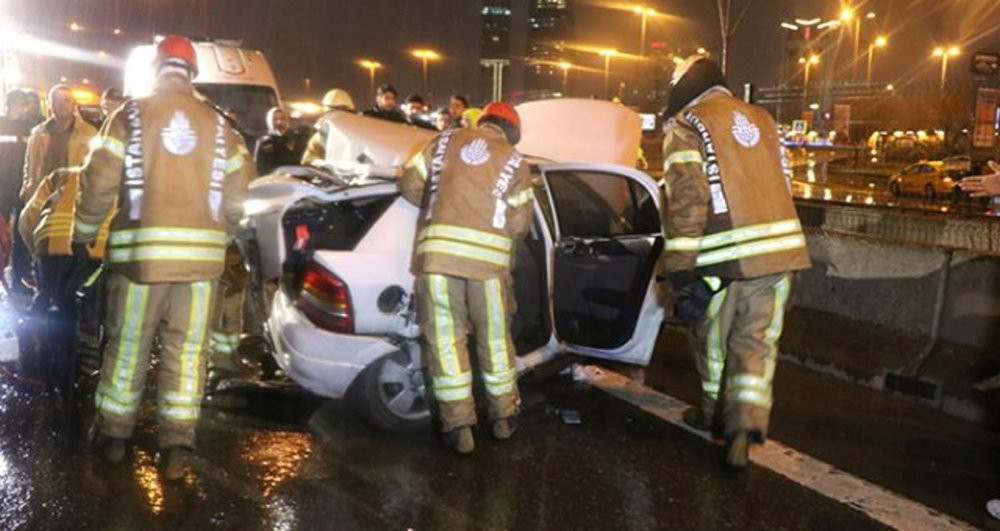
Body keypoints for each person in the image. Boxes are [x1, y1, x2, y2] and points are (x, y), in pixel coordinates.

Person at [73, 35, 252, 480]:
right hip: (200, 268)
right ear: (192, 72)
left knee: (128, 345)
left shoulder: (129, 115)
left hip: (139, 264)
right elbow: (238, 198)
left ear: (157, 68)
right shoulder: (220, 126)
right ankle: (177, 447)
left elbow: (98, 183)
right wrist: (219, 234)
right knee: (188, 352)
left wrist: (83, 231)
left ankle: (115, 435)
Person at [658, 56, 810, 469]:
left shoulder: (687, 124)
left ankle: (712, 413)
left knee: (713, 342)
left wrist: (681, 267)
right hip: (780, 253)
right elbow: (784, 183)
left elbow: (688, 200)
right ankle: (745, 426)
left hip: (723, 260)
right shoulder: (763, 118)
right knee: (756, 345)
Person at [398, 102, 535, 454]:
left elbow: (410, 187)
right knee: (495, 340)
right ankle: (504, 418)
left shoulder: (443, 142)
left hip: (438, 261)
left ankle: (459, 428)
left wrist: (441, 206)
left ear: (483, 120)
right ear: (512, 132)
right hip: (488, 269)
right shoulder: (515, 160)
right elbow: (520, 225)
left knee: (445, 340)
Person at [18, 167, 111, 397]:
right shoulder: (112, 176)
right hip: (93, 249)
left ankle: (55, 374)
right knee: (93, 312)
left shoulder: (58, 176)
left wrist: (37, 252)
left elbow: (26, 219)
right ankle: (88, 370)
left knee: (56, 309)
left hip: (48, 246)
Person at [15, 85, 97, 295]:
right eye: (57, 100)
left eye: (66, 100)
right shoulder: (38, 133)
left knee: (63, 246)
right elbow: (29, 163)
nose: (61, 105)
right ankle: (41, 284)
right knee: (33, 238)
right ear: (49, 104)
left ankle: (63, 291)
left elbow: (97, 168)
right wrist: (27, 187)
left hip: (70, 199)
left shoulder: (88, 133)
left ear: (73, 104)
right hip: (41, 197)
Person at [0, 90, 31, 292]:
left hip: (22, 186)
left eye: (22, 103)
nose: (18, 107)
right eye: (15, 103)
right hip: (2, 185)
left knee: (21, 233)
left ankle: (19, 276)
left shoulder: (30, 128)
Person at [301, 88, 355, 167]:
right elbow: (308, 161)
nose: (337, 116)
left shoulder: (358, 135)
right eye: (333, 112)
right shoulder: (320, 137)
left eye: (342, 111)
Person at [254, 107, 305, 175]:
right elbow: (260, 166)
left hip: (295, 179)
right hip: (274, 181)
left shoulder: (297, 138)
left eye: (282, 118)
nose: (279, 122)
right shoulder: (264, 142)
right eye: (275, 119)